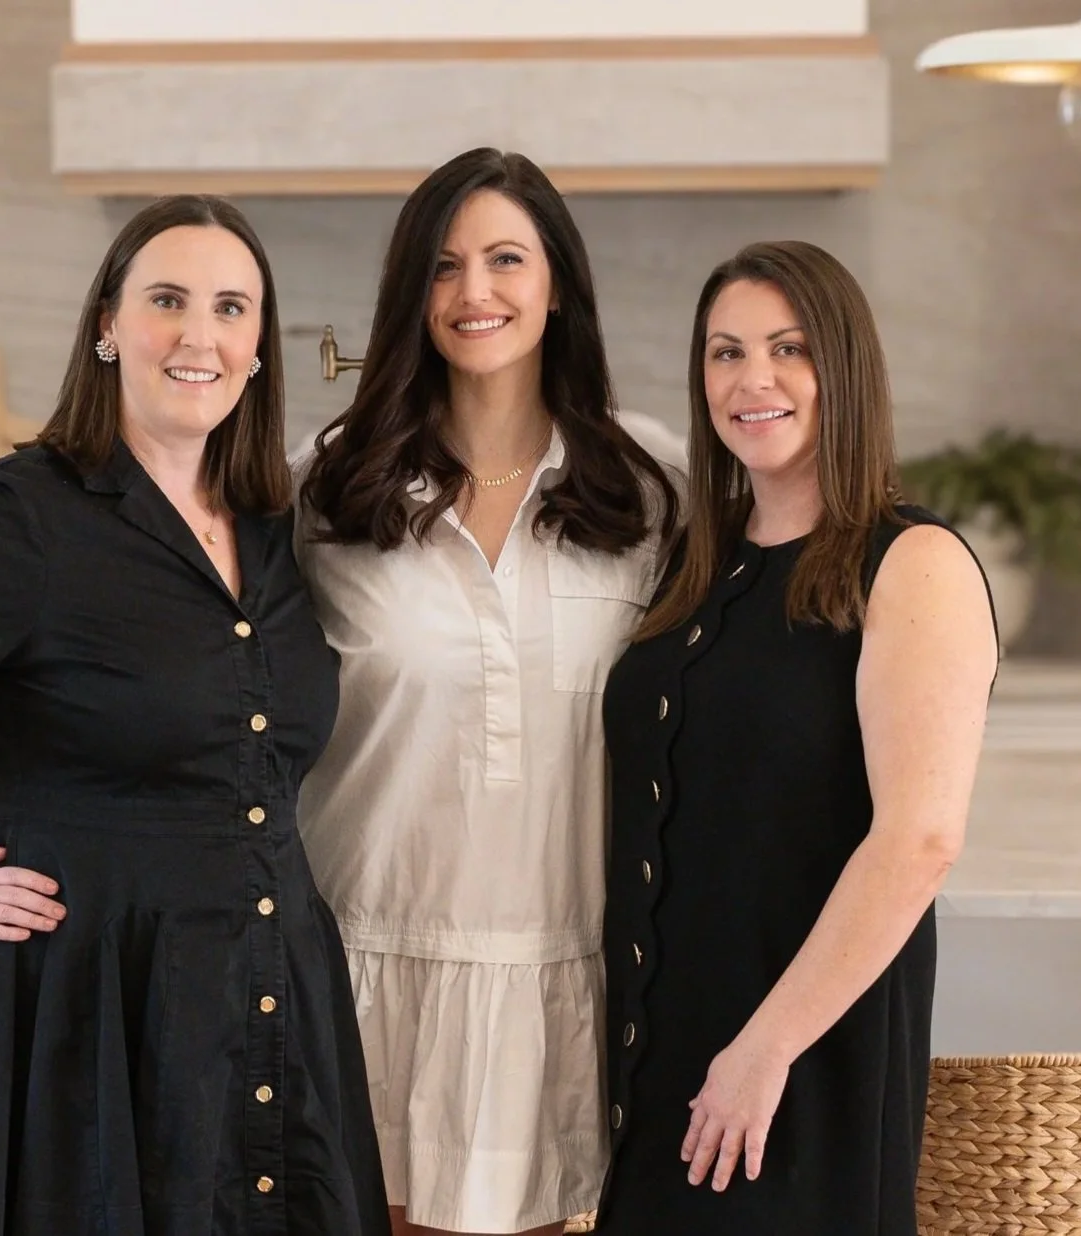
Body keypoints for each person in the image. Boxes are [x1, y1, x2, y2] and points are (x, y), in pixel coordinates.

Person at [0, 194, 391, 1236]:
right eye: (167, 301)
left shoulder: (278, 530)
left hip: (266, 1006)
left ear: (259, 348)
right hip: (68, 1016)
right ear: (106, 325)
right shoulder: (17, 516)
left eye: (232, 308)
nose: (201, 335)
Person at [295, 147, 678, 1236]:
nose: (475, 293)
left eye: (506, 259)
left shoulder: (650, 488)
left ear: (557, 282)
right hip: (364, 962)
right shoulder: (324, 485)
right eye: (444, 266)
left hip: (565, 969)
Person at [593, 240, 998, 1234]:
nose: (751, 379)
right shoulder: (704, 564)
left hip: (797, 1062)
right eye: (724, 352)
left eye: (787, 349)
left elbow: (919, 840)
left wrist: (764, 1049)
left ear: (843, 368)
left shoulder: (912, 561)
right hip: (671, 1057)